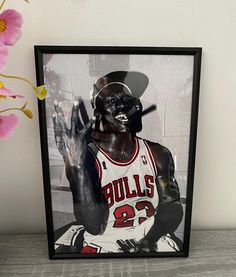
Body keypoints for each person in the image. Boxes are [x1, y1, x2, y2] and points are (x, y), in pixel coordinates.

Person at [53, 71, 183, 254]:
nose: (122, 106)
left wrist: (150, 240)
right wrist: (76, 166)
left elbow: (172, 208)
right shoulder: (87, 157)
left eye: (127, 100)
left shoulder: (158, 153)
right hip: (102, 241)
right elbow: (93, 225)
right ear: (97, 111)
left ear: (137, 106)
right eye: (112, 101)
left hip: (151, 235)